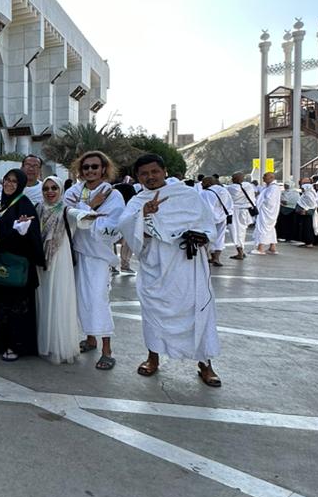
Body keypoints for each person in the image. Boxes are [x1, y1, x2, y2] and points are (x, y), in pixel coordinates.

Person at [119, 154, 221, 387]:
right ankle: (152, 357)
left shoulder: (187, 195)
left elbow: (208, 225)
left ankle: (205, 364)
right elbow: (124, 227)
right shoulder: (137, 201)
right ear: (137, 177)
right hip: (155, 267)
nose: (150, 177)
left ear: (164, 171)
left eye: (154, 171)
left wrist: (202, 237)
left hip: (187, 265)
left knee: (198, 312)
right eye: (144, 174)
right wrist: (143, 214)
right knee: (153, 314)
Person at [64, 151, 125, 370]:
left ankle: (107, 350)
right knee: (81, 299)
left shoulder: (112, 195)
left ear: (103, 169)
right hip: (77, 252)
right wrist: (91, 208)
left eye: (94, 167)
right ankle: (90, 339)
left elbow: (112, 226)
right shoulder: (74, 191)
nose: (90, 170)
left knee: (98, 299)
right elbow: (66, 213)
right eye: (86, 167)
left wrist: (85, 210)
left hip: (98, 256)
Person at [0, 169, 45, 361]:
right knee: (1, 305)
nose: (9, 184)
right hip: (1, 264)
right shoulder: (0, 203)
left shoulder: (24, 204)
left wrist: (21, 231)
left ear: (21, 185)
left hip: (18, 266)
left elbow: (32, 236)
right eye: (7, 180)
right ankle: (0, 343)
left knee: (17, 308)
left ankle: (16, 346)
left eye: (14, 182)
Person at [35, 176, 80, 364]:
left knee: (59, 298)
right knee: (44, 299)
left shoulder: (66, 209)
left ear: (61, 190)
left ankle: (59, 346)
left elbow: (79, 215)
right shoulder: (39, 208)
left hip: (60, 258)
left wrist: (90, 211)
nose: (50, 192)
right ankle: (45, 343)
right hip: (41, 260)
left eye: (54, 188)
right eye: (46, 188)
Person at [201, 175, 234, 266]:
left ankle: (208, 257)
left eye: (203, 183)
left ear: (209, 183)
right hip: (222, 217)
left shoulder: (206, 193)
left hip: (209, 219)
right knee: (220, 238)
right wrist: (228, 215)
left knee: (207, 237)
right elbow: (230, 204)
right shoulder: (224, 190)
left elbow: (206, 208)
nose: (201, 185)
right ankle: (216, 258)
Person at [228, 171, 256, 259]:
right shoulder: (249, 186)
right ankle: (241, 250)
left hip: (235, 212)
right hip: (245, 212)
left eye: (233, 178)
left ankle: (239, 251)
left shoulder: (230, 188)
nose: (232, 179)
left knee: (235, 231)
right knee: (242, 231)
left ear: (235, 179)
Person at [253, 172, 282, 254]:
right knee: (270, 228)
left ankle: (260, 248)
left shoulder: (274, 188)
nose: (263, 177)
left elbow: (270, 201)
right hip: (268, 211)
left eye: (265, 176)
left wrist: (260, 203)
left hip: (267, 211)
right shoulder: (268, 187)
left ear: (271, 177)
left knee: (263, 228)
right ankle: (272, 247)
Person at [295, 179, 318, 247]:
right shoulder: (304, 195)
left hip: (308, 216)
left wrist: (306, 211)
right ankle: (306, 242)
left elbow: (313, 206)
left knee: (308, 229)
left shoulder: (309, 195)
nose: (302, 190)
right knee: (304, 228)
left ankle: (309, 242)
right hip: (303, 215)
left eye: (303, 188)